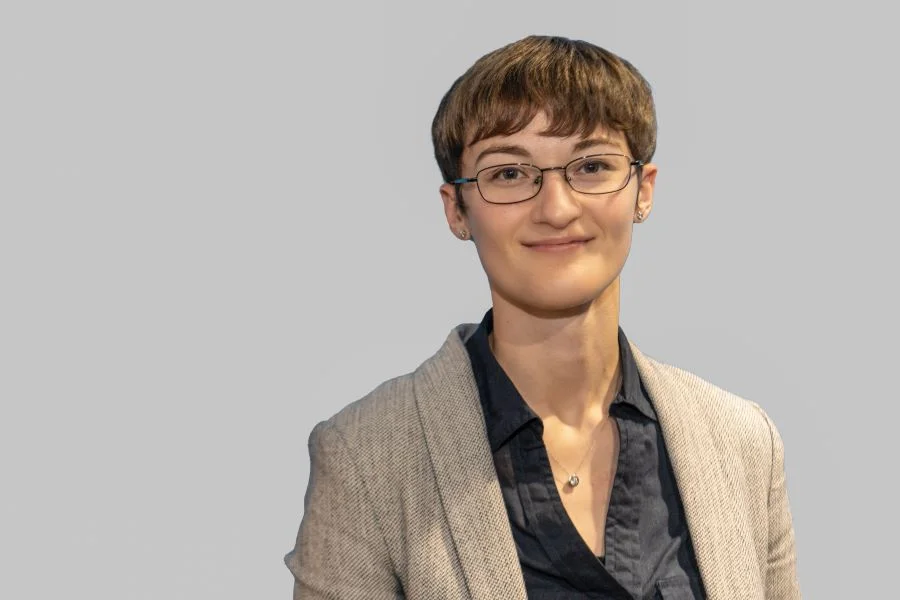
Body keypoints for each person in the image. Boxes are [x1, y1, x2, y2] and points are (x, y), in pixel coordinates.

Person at [284, 35, 800, 599]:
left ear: (643, 191)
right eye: (509, 173)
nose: (556, 208)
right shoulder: (365, 455)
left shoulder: (743, 442)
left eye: (592, 166)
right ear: (457, 210)